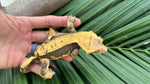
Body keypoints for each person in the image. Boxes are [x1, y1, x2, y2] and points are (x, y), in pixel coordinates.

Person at [0, 10, 81, 75]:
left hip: (43, 50)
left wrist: (70, 20)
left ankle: (40, 69)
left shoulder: (75, 36)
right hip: (43, 52)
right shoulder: (76, 43)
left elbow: (70, 26)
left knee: (45, 59)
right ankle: (41, 70)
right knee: (45, 61)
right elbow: (73, 55)